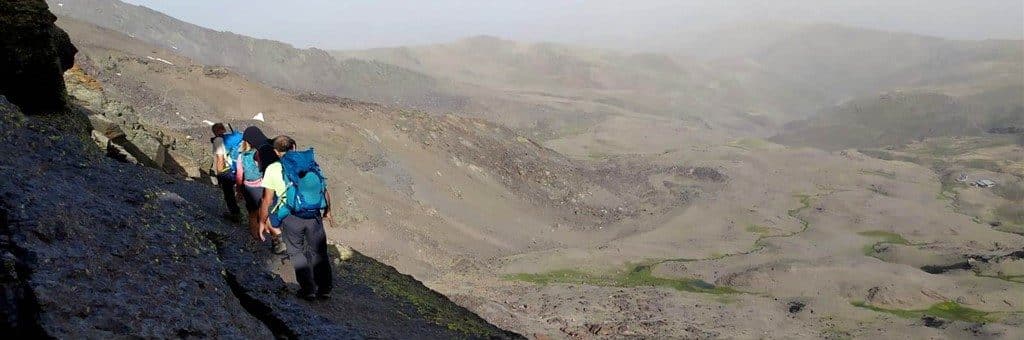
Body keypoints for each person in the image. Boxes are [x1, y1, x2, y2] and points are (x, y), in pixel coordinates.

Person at [258, 135, 334, 300]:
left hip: (291, 217)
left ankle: (308, 290)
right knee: (319, 252)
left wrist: (262, 222)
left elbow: (267, 200)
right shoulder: (311, 164)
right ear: (294, 146)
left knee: (296, 252)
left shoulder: (273, 169)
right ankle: (325, 288)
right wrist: (328, 211)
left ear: (276, 151)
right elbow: (324, 189)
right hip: (314, 216)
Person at [235, 126, 286, 254]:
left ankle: (256, 238)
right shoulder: (261, 152)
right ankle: (277, 239)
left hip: (249, 188)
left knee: (252, 214)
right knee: (267, 212)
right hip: (263, 186)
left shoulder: (241, 156)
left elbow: (239, 176)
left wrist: (239, 190)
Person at [210, 123, 241, 221]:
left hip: (227, 170)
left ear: (215, 131)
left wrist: (220, 173)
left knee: (228, 193)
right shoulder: (231, 138)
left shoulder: (218, 141)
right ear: (224, 129)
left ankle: (235, 214)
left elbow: (220, 158)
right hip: (238, 168)